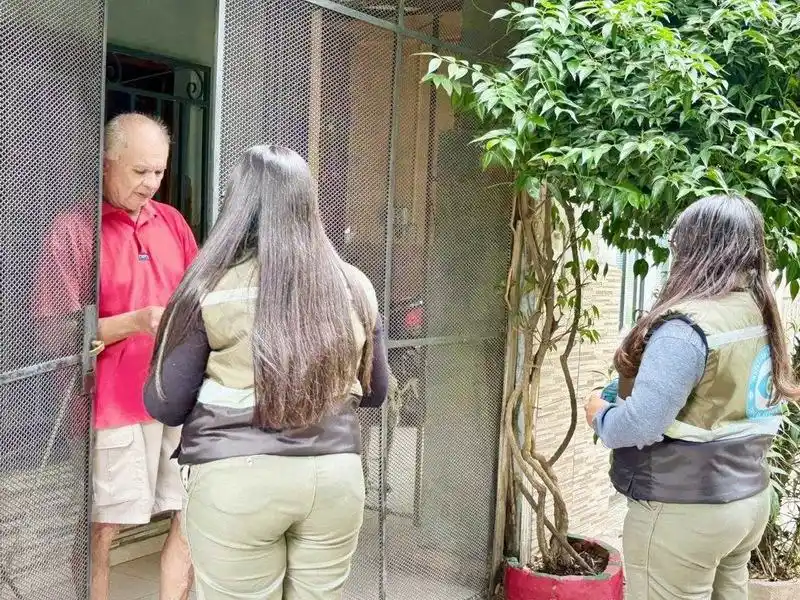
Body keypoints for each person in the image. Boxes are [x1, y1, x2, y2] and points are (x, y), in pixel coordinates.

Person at [143, 144, 389, 600]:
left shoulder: (207, 287)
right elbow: (375, 393)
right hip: (334, 479)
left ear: (237, 207)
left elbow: (166, 403)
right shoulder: (354, 285)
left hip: (237, 480)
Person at [584, 194, 800, 600]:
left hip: (683, 511)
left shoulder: (687, 327)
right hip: (747, 500)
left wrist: (599, 414)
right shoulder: (757, 313)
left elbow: (640, 425)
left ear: (693, 248)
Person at [88, 113, 196, 600]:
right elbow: (56, 334)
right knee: (102, 531)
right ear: (108, 163)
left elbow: (198, 297)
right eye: (139, 172)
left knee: (190, 512)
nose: (151, 184)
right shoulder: (78, 230)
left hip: (176, 396)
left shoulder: (171, 221)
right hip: (114, 407)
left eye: (158, 172)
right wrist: (134, 322)